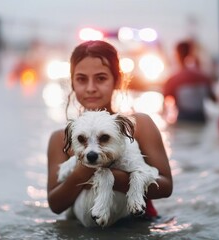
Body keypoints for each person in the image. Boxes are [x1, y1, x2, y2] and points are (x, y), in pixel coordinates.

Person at [47, 40, 173, 225]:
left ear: (117, 80)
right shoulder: (60, 138)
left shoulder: (140, 125)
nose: (91, 88)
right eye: (82, 79)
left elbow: (166, 187)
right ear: (72, 83)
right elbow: (55, 204)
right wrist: (83, 171)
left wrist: (108, 176)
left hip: (137, 225)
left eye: (101, 78)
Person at [163, 40, 216, 123]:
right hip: (201, 118)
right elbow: (214, 99)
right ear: (192, 53)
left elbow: (166, 101)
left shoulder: (174, 80)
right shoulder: (204, 77)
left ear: (176, 54)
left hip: (184, 118)